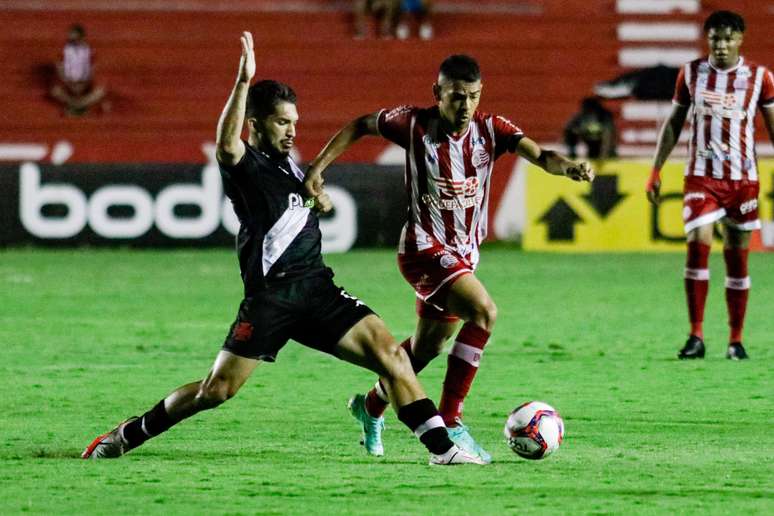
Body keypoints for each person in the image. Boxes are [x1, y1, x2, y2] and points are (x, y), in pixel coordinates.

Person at [81, 32, 484, 466]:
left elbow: (301, 201)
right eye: (281, 122)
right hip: (271, 300)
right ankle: (127, 434)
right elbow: (225, 145)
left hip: (317, 289)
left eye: (295, 121)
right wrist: (241, 83)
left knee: (391, 356)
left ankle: (444, 452)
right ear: (255, 123)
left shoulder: (291, 163)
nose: (292, 130)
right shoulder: (247, 166)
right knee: (216, 390)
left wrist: (319, 197)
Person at [304, 54, 594, 462]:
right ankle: (451, 419)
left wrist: (568, 168)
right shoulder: (413, 124)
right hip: (423, 249)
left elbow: (541, 155)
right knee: (484, 312)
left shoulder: (492, 130)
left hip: (463, 255)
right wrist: (317, 168)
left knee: (425, 350)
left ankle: (369, 408)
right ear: (437, 94)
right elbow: (359, 125)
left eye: (473, 96)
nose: (465, 106)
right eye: (457, 97)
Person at [646, 11, 774, 360]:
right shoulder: (690, 74)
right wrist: (655, 170)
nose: (721, 45)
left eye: (728, 38)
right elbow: (673, 123)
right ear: (708, 40)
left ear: (740, 39)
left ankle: (736, 339)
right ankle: (696, 335)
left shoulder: (761, 78)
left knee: (738, 260)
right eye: (715, 38)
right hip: (701, 176)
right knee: (697, 244)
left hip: (743, 180)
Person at [50, 24, 107, 116]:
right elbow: (59, 68)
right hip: (68, 81)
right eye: (71, 38)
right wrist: (68, 82)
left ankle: (75, 105)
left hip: (86, 82)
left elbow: (93, 70)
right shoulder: (63, 51)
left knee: (100, 91)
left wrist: (83, 84)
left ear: (82, 37)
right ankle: (80, 105)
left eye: (75, 38)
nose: (72, 41)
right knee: (55, 90)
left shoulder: (91, 52)